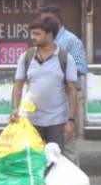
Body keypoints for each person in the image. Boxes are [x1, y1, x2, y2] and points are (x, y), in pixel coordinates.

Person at [9, 15, 79, 152]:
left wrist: (71, 121)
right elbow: (18, 85)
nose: (33, 37)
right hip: (31, 121)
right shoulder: (26, 57)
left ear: (49, 35)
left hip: (57, 121)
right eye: (32, 33)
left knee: (58, 162)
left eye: (37, 34)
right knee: (34, 162)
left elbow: (72, 91)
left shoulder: (65, 58)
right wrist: (15, 109)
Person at [41, 5, 88, 164]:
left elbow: (81, 67)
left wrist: (58, 69)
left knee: (67, 141)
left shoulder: (71, 40)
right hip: (48, 99)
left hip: (67, 96)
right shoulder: (45, 40)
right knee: (50, 142)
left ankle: (74, 181)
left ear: (54, 21)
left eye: (45, 21)